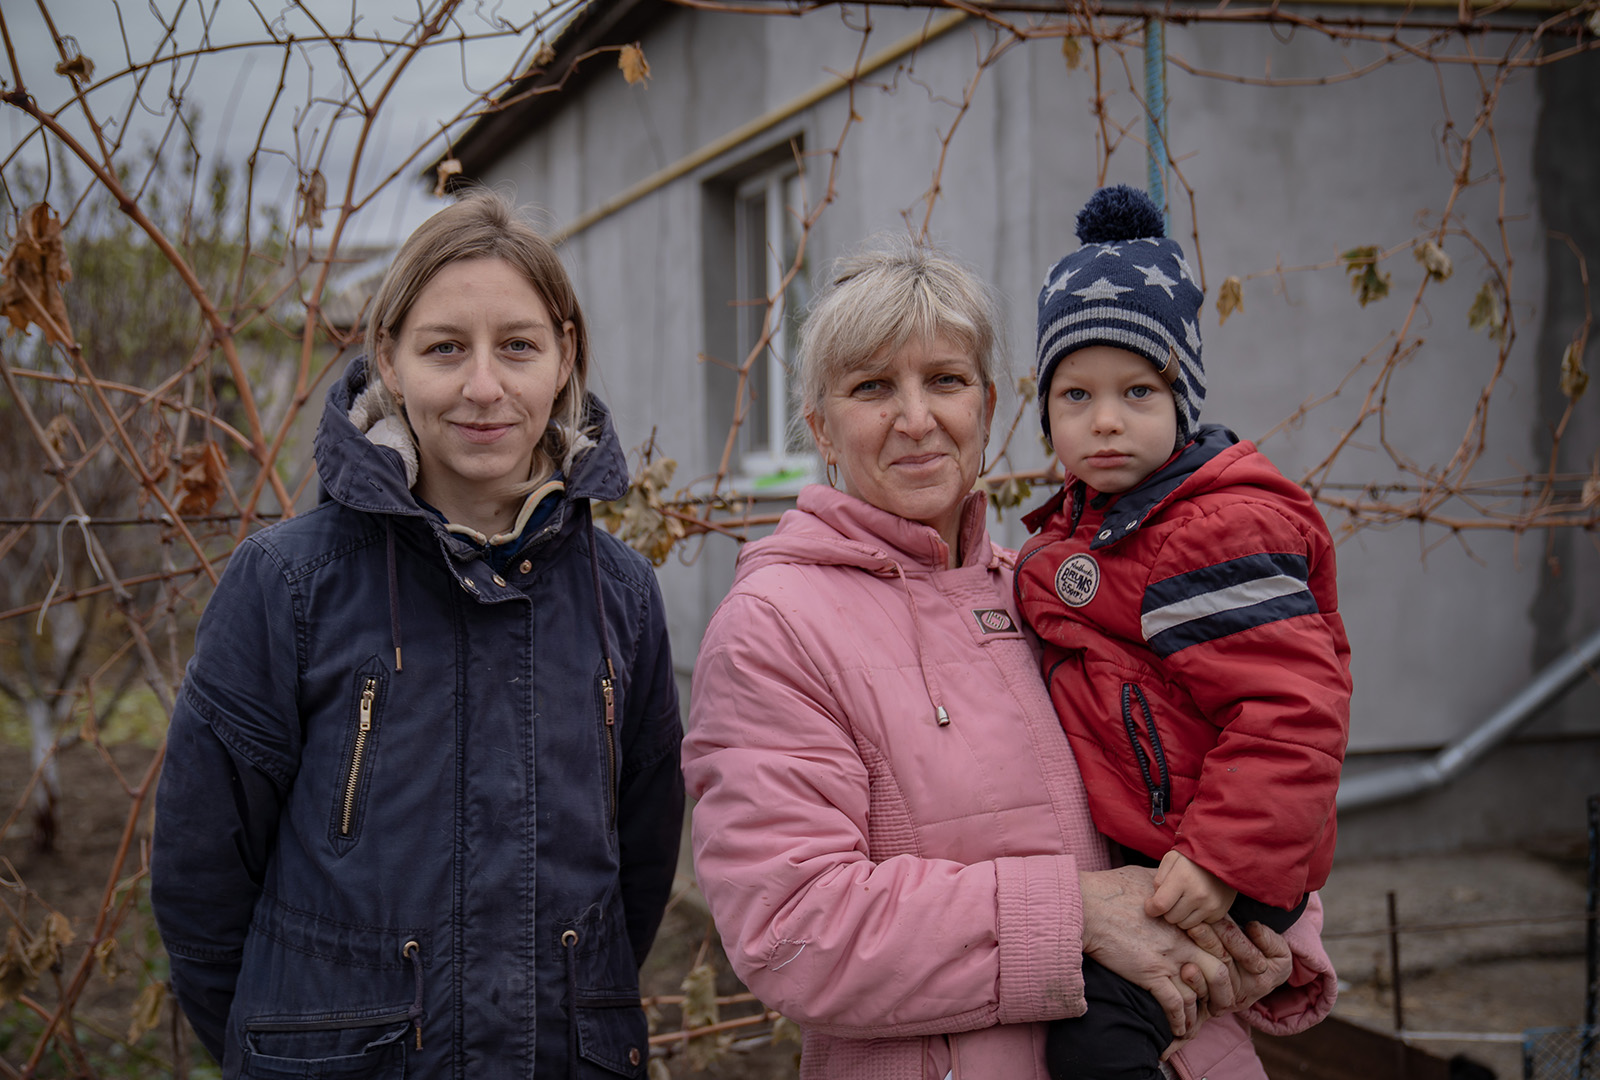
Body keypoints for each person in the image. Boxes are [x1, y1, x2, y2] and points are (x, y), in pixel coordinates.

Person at [681, 236, 1338, 1080]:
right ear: (820, 426)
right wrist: (1070, 918)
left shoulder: (1052, 592)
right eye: (872, 387)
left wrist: (1269, 934)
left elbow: (1210, 757)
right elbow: (792, 925)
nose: (916, 419)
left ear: (990, 408)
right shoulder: (775, 627)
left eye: (945, 381)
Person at [152, 190, 684, 1079]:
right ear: (390, 364)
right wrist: (293, 1046)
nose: (484, 386)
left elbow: (641, 865)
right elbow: (202, 886)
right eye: (445, 348)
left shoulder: (620, 595)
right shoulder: (289, 584)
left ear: (565, 358)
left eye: (517, 345)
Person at [1013, 185, 1351, 1080]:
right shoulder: (1085, 530)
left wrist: (1220, 863)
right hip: (1170, 850)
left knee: (1098, 1041)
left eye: (1137, 390)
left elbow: (1292, 714)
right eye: (1075, 393)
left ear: (1184, 398)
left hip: (1218, 861)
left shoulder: (1212, 534)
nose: (1106, 419)